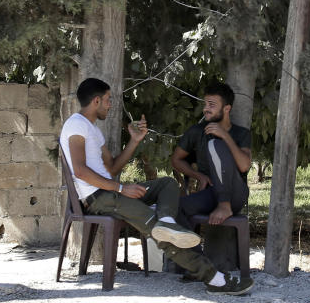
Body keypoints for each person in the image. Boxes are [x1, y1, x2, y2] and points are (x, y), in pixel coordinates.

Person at [59, 77, 253, 295]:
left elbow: (112, 167)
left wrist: (134, 141)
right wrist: (121, 188)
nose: (110, 104)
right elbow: (80, 170)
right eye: (107, 100)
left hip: (110, 191)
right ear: (96, 101)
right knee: (156, 230)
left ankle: (167, 221)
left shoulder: (93, 129)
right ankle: (215, 279)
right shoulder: (76, 124)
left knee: (167, 184)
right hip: (100, 198)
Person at [172, 81, 251, 226]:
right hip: (210, 193)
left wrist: (225, 136)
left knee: (215, 144)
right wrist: (198, 176)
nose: (206, 109)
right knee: (175, 208)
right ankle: (191, 249)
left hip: (236, 193)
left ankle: (224, 205)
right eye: (205, 104)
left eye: (212, 105)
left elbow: (244, 166)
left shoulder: (241, 133)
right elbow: (176, 160)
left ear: (227, 109)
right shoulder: (196, 131)